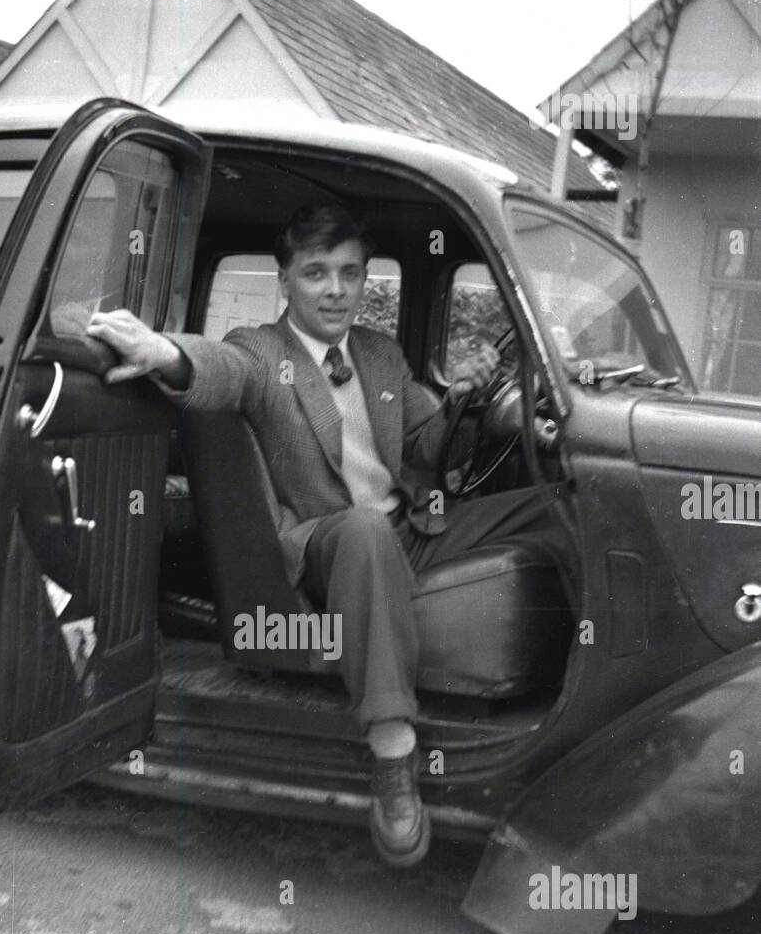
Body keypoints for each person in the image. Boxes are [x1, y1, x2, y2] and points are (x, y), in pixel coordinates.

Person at [86, 203, 567, 869]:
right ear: (286, 280)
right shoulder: (262, 350)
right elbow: (222, 371)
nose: (336, 289)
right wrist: (163, 352)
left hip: (409, 525)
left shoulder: (379, 352)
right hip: (326, 544)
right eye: (316, 273)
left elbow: (424, 453)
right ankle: (394, 757)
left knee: (557, 503)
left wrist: (463, 398)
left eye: (350, 272)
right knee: (367, 529)